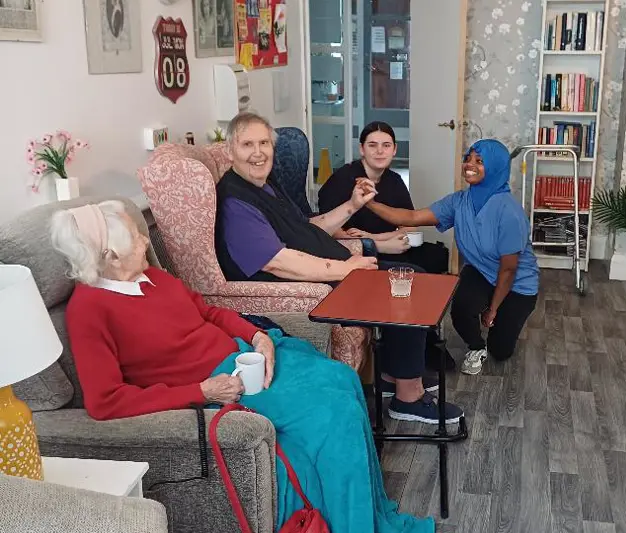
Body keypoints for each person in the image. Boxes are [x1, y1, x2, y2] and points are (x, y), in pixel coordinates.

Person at [51, 201, 435, 533]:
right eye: (136, 237)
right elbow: (105, 401)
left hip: (243, 355)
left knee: (343, 378)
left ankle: (369, 513)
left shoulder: (152, 276)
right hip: (223, 383)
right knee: (333, 412)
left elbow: (208, 312)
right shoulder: (88, 309)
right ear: (111, 255)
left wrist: (257, 336)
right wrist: (202, 391)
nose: (145, 240)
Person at [214, 111, 463, 424]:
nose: (258, 152)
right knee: (406, 289)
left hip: (338, 269)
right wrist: (345, 269)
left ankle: (394, 375)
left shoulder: (265, 185)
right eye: (248, 144)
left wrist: (352, 206)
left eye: (264, 143)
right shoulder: (236, 200)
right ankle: (408, 397)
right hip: (318, 284)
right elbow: (278, 262)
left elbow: (307, 229)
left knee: (414, 275)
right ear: (230, 151)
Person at [359, 139, 539, 376]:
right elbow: (411, 217)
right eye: (468, 158)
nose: (469, 165)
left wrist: (493, 310)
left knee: (501, 351)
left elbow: (509, 269)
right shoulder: (459, 202)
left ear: (496, 167)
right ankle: (477, 346)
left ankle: (499, 313)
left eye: (479, 161)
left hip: (517, 284)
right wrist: (370, 203)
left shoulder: (509, 212)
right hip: (481, 271)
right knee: (461, 309)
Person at [318, 121, 449, 275]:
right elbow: (330, 231)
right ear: (362, 149)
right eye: (372, 145)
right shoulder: (343, 179)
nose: (380, 151)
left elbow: (410, 226)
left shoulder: (394, 180)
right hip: (354, 252)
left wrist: (374, 237)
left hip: (388, 243)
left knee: (438, 257)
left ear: (394, 149)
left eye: (386, 145)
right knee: (416, 272)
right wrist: (374, 244)